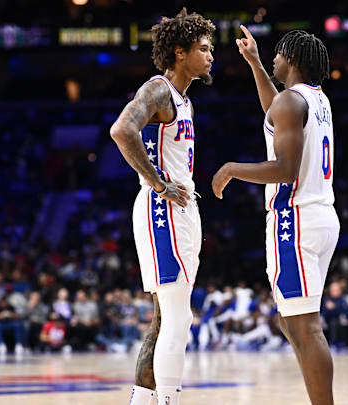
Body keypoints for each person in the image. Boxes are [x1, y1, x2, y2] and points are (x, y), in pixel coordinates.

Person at [212, 26, 338, 405]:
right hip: (320, 215)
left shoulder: (290, 103)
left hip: (293, 219)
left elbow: (285, 169)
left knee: (305, 326)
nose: (274, 58)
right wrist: (252, 62)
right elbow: (274, 113)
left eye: (279, 53)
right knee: (292, 321)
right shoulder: (314, 100)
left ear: (294, 60)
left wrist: (232, 168)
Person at [108, 8, 215, 405]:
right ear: (180, 52)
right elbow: (122, 130)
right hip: (162, 211)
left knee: (163, 317)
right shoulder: (159, 89)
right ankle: (169, 399)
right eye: (203, 49)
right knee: (178, 316)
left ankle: (143, 401)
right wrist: (158, 183)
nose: (210, 56)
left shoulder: (184, 101)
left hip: (178, 210)